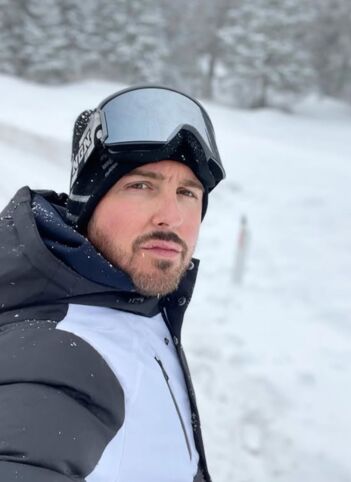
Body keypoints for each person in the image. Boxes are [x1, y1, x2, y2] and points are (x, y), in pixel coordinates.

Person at [0, 86, 225, 482]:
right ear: (88, 203)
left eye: (187, 193)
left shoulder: (133, 296)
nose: (171, 216)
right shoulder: (60, 357)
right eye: (141, 186)